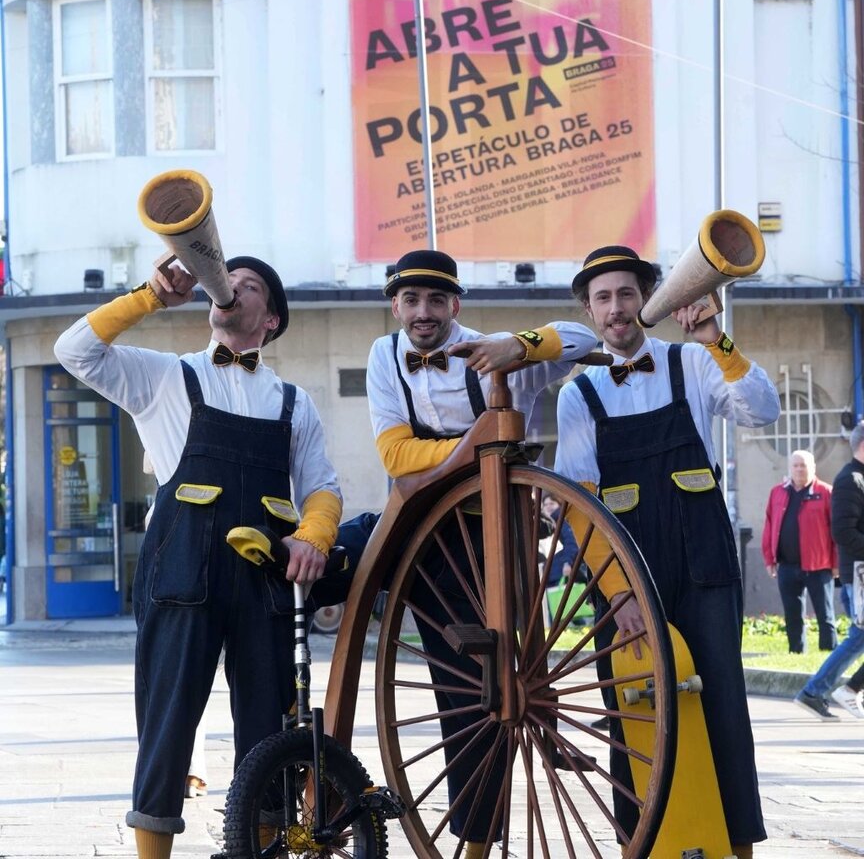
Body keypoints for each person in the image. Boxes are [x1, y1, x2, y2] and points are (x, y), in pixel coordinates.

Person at [54, 257, 342, 859]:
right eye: (225, 278)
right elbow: (74, 350)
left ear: (272, 319)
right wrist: (150, 297)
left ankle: (256, 849)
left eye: (250, 284)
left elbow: (322, 487)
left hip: (264, 579)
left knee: (266, 722)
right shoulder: (164, 376)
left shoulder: (294, 402)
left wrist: (313, 537)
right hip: (179, 570)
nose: (230, 286)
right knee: (167, 721)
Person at [367, 248, 601, 859]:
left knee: (507, 678)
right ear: (395, 305)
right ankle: (474, 840)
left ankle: (479, 835)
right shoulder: (384, 356)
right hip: (436, 538)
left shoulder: (491, 349)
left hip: (501, 533)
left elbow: (579, 338)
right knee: (464, 695)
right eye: (411, 300)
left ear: (456, 305)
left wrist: (519, 347)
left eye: (436, 300)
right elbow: (394, 456)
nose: (423, 313)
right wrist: (468, 453)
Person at [554, 244, 781, 859]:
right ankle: (640, 844)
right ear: (589, 309)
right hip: (627, 575)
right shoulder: (579, 395)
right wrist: (617, 591)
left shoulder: (694, 361)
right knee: (630, 714)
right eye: (602, 298)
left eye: (627, 293)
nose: (616, 308)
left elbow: (762, 410)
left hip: (704, 567)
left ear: (648, 298)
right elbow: (576, 502)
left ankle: (737, 847)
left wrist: (717, 338)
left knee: (724, 711)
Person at [794, 422, 864, 721]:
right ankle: (819, 691)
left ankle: (820, 691)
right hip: (859, 573)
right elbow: (843, 532)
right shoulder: (850, 479)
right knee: (858, 637)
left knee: (859, 636)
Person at [762, 450, 837, 653]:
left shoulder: (825, 492)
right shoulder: (777, 492)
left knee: (826, 616)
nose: (799, 469)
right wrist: (769, 559)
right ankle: (796, 651)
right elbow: (769, 526)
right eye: (795, 465)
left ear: (813, 468)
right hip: (787, 565)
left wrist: (836, 563)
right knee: (793, 615)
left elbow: (836, 530)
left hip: (818, 565)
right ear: (789, 468)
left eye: (803, 465)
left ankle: (828, 652)